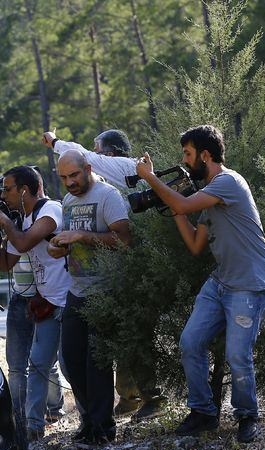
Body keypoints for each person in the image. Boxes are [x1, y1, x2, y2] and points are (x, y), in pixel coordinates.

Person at [136, 124, 265, 443]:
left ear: (206, 154)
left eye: (188, 154)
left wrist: (151, 178)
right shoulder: (209, 197)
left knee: (238, 354)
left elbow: (185, 205)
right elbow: (196, 246)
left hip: (251, 285)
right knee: (190, 342)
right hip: (222, 282)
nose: (185, 162)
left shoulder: (227, 182)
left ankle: (246, 417)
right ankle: (203, 413)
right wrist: (172, 204)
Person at [43, 129, 169, 422]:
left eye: (97, 150)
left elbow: (80, 155)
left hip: (131, 264)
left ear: (109, 153)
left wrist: (54, 141)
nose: (95, 155)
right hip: (103, 270)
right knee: (117, 341)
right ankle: (129, 397)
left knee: (133, 336)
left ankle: (150, 396)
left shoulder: (122, 168)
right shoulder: (82, 194)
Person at [48, 150, 131, 445]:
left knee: (96, 363)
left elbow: (124, 240)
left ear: (88, 168)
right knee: (70, 359)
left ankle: (102, 428)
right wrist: (59, 248)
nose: (70, 182)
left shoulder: (109, 196)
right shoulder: (69, 201)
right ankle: (89, 422)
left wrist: (83, 238)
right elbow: (68, 243)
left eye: (74, 175)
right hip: (76, 289)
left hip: (105, 290)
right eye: (64, 178)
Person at [0, 165, 72, 441]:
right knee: (37, 364)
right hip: (48, 303)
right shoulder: (21, 221)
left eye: (7, 189)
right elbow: (6, 263)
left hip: (70, 300)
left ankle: (91, 420)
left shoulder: (50, 211)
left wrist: (6, 223)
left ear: (24, 190)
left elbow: (22, 244)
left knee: (70, 365)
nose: (4, 195)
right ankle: (33, 428)